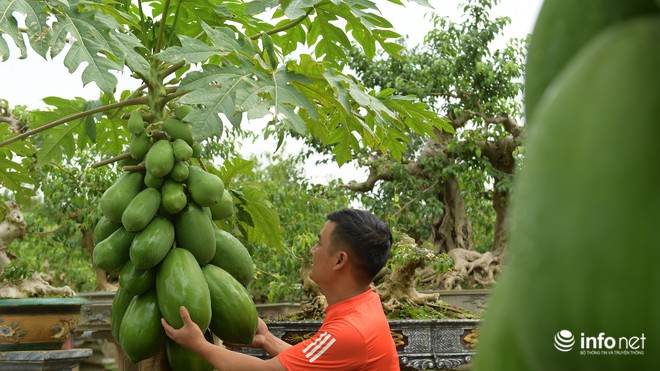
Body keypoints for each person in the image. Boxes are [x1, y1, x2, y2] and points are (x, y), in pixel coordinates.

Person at [161, 208, 400, 370]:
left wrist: (199, 346)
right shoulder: (363, 306)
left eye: (319, 243)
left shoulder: (350, 332)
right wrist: (267, 340)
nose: (312, 251)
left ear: (339, 260)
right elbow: (312, 361)